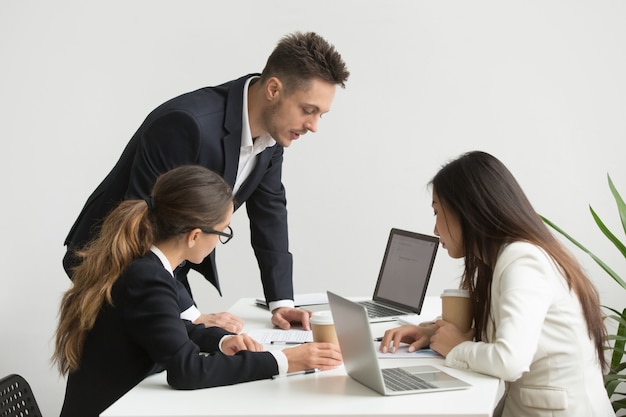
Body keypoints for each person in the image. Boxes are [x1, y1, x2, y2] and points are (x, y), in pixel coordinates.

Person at [62, 31, 350, 333]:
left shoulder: (274, 133)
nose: (314, 126)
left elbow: (270, 213)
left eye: (321, 114)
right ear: (274, 89)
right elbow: (145, 225)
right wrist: (190, 314)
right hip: (110, 262)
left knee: (193, 355)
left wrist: (282, 303)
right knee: (151, 368)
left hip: (162, 264)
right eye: (308, 110)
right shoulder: (186, 124)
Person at [53, 165, 343, 417]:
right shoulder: (149, 278)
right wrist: (285, 360)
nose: (220, 241)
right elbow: (187, 372)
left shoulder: (143, 267)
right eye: (223, 232)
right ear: (194, 236)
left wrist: (221, 341)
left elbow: (162, 329)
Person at [380, 151, 614, 417]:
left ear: (466, 211)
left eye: (437, 212)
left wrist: (456, 348)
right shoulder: (504, 257)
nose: (435, 229)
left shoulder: (522, 260)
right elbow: (505, 330)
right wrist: (434, 334)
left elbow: (509, 360)